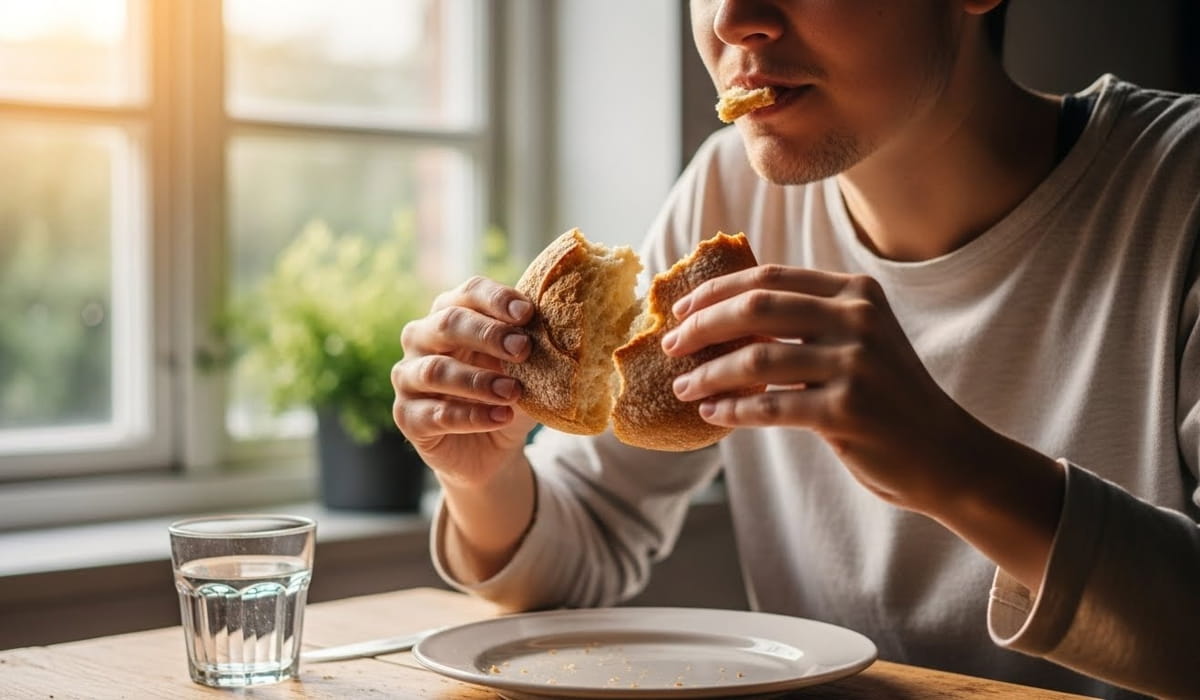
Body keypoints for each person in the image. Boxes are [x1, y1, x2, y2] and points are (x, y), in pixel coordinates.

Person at [391, 1, 1199, 697]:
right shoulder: (729, 193)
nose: (730, 19)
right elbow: (586, 541)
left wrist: (955, 465)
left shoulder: (1179, 189)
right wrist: (486, 474)